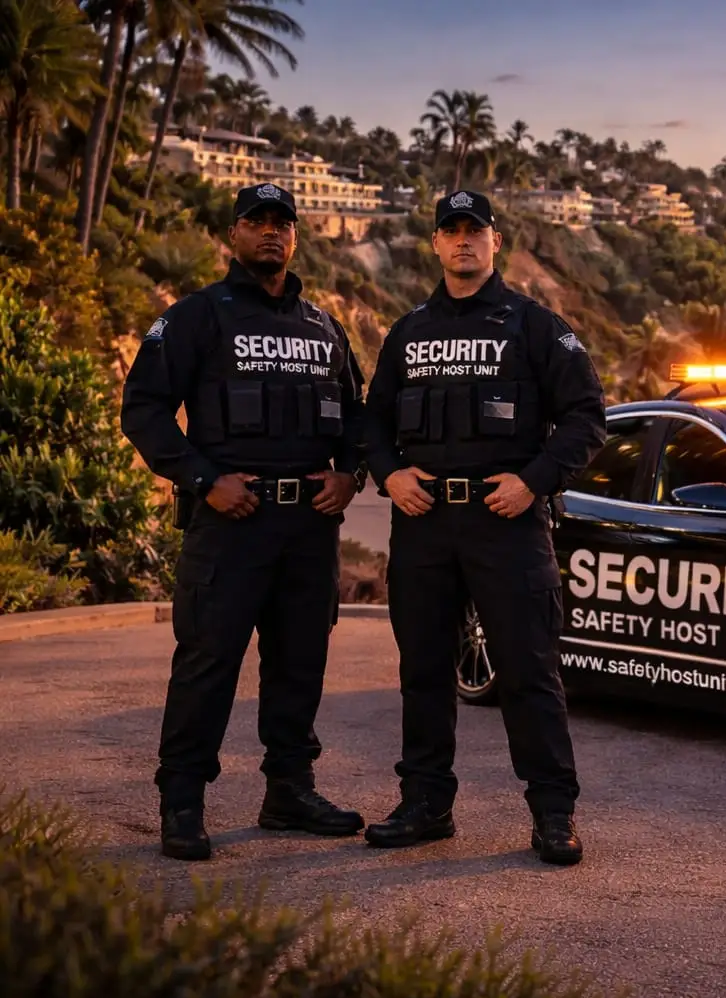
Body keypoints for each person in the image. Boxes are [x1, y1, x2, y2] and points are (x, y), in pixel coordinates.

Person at [121, 182, 370, 861]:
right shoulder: (200, 316)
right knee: (206, 665)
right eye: (256, 221)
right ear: (234, 233)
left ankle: (289, 791)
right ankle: (181, 803)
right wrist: (204, 479)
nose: (270, 232)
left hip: (308, 533)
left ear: (295, 236)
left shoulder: (325, 327)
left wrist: (350, 476)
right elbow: (142, 409)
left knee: (298, 667)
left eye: (281, 223)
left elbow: (357, 419)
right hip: (231, 525)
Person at [361, 190, 605, 864]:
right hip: (425, 522)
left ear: (497, 243)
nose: (463, 242)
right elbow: (371, 420)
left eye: (475, 231)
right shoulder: (409, 331)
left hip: (508, 524)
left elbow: (588, 415)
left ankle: (554, 814)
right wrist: (390, 475)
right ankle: (425, 805)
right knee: (425, 673)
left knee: (529, 672)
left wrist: (535, 479)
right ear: (435, 244)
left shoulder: (532, 325)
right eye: (451, 231)